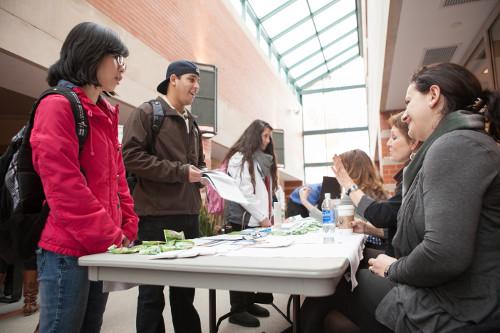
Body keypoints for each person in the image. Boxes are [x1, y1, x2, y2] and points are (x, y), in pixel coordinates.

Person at [316, 62, 500, 333]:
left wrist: (394, 268)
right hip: (459, 294)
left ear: (434, 96)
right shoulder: (460, 144)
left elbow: (444, 253)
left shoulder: (455, 146)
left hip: (461, 307)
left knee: (332, 287)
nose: (404, 115)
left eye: (409, 101)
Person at [31, 22, 138, 333]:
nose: (122, 68)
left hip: (101, 247)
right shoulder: (57, 106)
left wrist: (128, 226)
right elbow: (64, 187)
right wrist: (112, 236)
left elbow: (119, 180)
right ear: (90, 56)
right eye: (116, 58)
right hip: (66, 251)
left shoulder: (104, 112)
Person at [122, 60, 205, 333]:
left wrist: (205, 177)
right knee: (151, 295)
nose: (197, 86)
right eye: (192, 79)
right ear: (173, 79)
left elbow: (196, 165)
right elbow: (131, 158)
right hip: (155, 217)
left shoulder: (192, 122)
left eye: (198, 81)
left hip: (189, 216)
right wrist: (181, 173)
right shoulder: (147, 113)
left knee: (185, 293)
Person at [332, 111, 419, 256]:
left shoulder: (413, 177)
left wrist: (348, 184)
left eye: (394, 137)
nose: (388, 143)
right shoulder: (406, 177)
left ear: (413, 142)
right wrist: (368, 229)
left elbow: (381, 215)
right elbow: (396, 226)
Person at [224, 119, 277, 328]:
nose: (268, 140)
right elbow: (245, 193)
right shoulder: (239, 158)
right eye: (264, 136)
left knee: (251, 266)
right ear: (254, 136)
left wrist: (270, 216)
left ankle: (248, 302)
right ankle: (237, 310)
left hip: (259, 221)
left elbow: (265, 192)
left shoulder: (259, 160)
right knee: (239, 267)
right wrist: (264, 218)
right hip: (243, 222)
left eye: (269, 136)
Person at [299, 149, 387, 248]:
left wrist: (305, 201)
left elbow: (332, 221)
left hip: (367, 249)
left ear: (349, 170)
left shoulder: (352, 194)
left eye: (341, 169)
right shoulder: (375, 189)